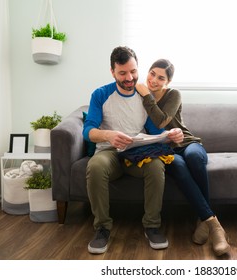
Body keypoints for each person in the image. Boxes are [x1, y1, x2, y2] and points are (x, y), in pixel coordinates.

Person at [83, 47, 183, 254]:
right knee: (95, 165)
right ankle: (102, 228)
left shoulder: (145, 96)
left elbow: (156, 129)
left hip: (137, 153)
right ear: (112, 72)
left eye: (133, 71)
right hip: (109, 152)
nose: (129, 78)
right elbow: (88, 130)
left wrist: (170, 133)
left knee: (156, 166)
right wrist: (109, 135)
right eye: (122, 73)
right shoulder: (101, 94)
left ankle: (152, 225)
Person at [135, 59, 230, 256]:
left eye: (161, 77)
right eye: (152, 73)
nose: (153, 80)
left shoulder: (173, 94)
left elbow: (162, 120)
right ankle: (213, 223)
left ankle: (203, 220)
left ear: (167, 82)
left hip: (187, 142)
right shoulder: (137, 97)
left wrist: (146, 95)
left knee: (194, 158)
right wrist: (143, 95)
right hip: (165, 149)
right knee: (177, 165)